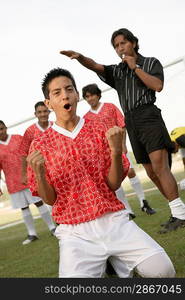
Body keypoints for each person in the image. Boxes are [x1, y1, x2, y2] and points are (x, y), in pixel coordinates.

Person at [27, 67, 175, 278]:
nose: (65, 95)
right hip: (75, 232)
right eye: (57, 92)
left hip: (113, 220)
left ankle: (116, 264)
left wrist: (116, 152)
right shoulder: (40, 144)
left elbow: (113, 185)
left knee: (163, 271)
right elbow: (50, 200)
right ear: (48, 104)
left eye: (69, 89)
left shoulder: (99, 128)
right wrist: (40, 174)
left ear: (77, 95)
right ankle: (112, 265)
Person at [60, 28, 185, 233]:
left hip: (148, 116)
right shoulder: (117, 71)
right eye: (116, 46)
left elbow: (158, 85)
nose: (120, 48)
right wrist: (80, 57)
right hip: (132, 120)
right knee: (151, 172)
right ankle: (178, 211)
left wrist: (135, 67)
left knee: (160, 166)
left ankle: (180, 214)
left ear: (133, 43)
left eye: (123, 43)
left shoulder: (151, 62)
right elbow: (95, 66)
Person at [82, 83, 155, 216]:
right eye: (87, 97)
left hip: (118, 148)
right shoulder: (85, 118)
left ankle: (143, 202)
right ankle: (127, 209)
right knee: (115, 180)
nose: (90, 98)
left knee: (131, 172)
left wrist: (123, 144)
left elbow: (122, 125)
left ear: (98, 95)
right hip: (103, 154)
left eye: (92, 95)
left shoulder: (110, 107)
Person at [0, 120, 56, 245]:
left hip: (28, 178)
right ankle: (32, 234)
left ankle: (52, 227)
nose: (1, 131)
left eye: (2, 128)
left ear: (6, 127)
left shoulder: (18, 138)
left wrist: (28, 173)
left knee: (39, 203)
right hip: (12, 182)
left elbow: (30, 153)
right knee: (23, 208)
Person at [20, 101, 53, 213]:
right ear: (35, 114)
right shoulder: (30, 131)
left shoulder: (56, 125)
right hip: (41, 171)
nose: (43, 114)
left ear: (49, 112)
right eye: (40, 112)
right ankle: (57, 224)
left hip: (57, 168)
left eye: (45, 111)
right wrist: (24, 174)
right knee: (47, 198)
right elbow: (24, 153)